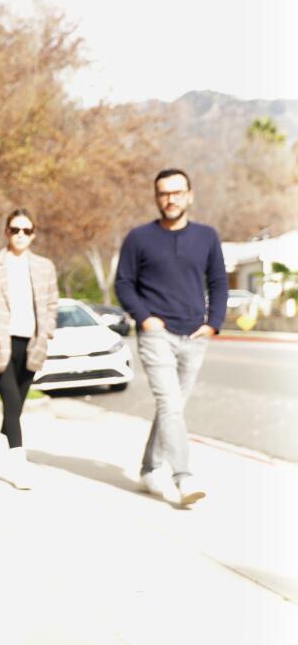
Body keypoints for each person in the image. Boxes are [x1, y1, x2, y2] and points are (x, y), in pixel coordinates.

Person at [115, 168, 227, 507]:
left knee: (173, 408)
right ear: (156, 197)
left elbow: (219, 282)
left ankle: (150, 467)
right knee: (170, 405)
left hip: (195, 335)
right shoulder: (139, 238)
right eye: (164, 193)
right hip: (156, 335)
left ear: (190, 195)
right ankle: (183, 476)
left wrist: (213, 323)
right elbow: (123, 283)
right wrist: (146, 319)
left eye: (177, 192)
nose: (171, 199)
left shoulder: (207, 237)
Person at [0, 209, 59, 489]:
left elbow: (52, 304)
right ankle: (18, 465)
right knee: (10, 401)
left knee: (15, 406)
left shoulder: (45, 266)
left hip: (31, 343)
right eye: (15, 230)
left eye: (26, 231)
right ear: (6, 232)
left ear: (33, 234)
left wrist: (48, 332)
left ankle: (0, 452)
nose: (20, 235)